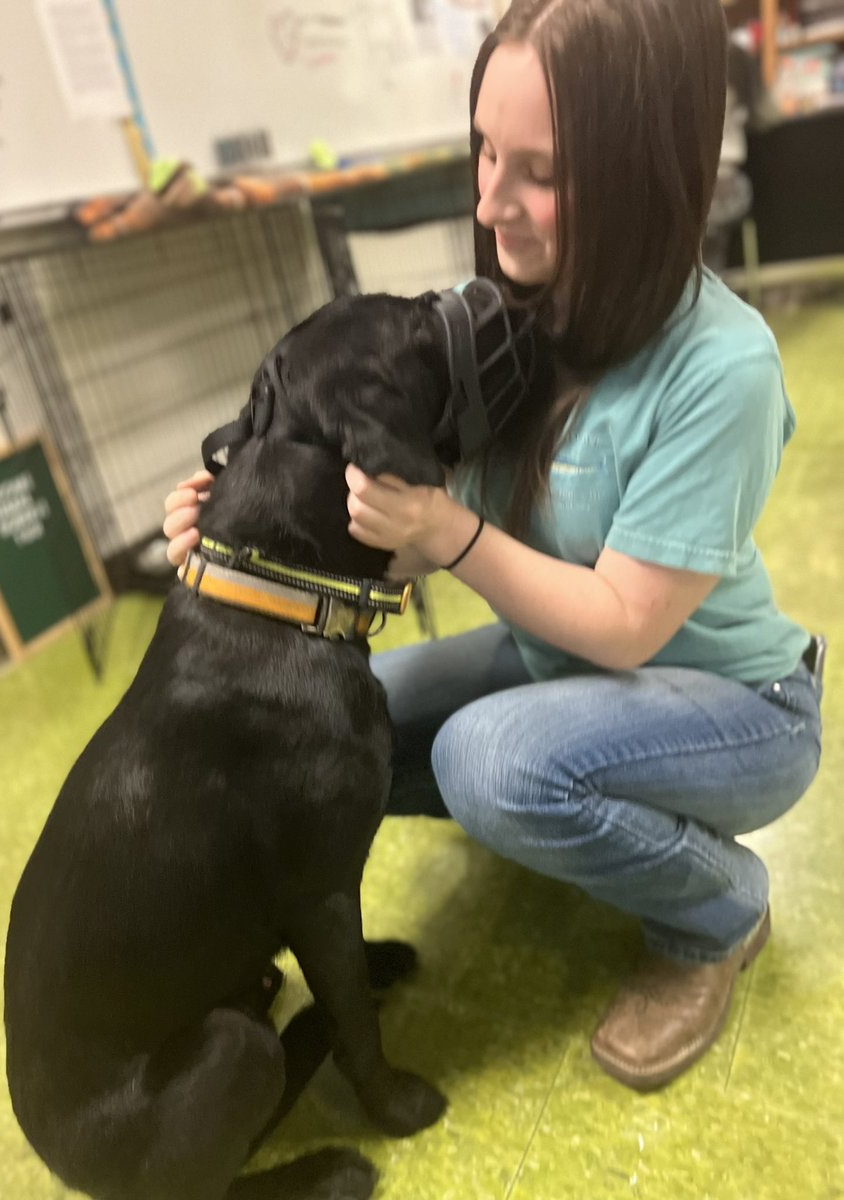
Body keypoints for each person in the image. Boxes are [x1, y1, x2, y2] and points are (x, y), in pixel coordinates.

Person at [164, 0, 823, 1092]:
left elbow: (621, 625)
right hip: (556, 658)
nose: (489, 202)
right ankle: (573, 804)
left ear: (646, 173)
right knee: (347, 722)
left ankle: (717, 910)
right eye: (483, 150)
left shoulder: (725, 368)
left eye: (541, 173)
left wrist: (449, 531)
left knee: (490, 765)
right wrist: (236, 537)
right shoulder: (526, 319)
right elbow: (399, 536)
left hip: (736, 704)